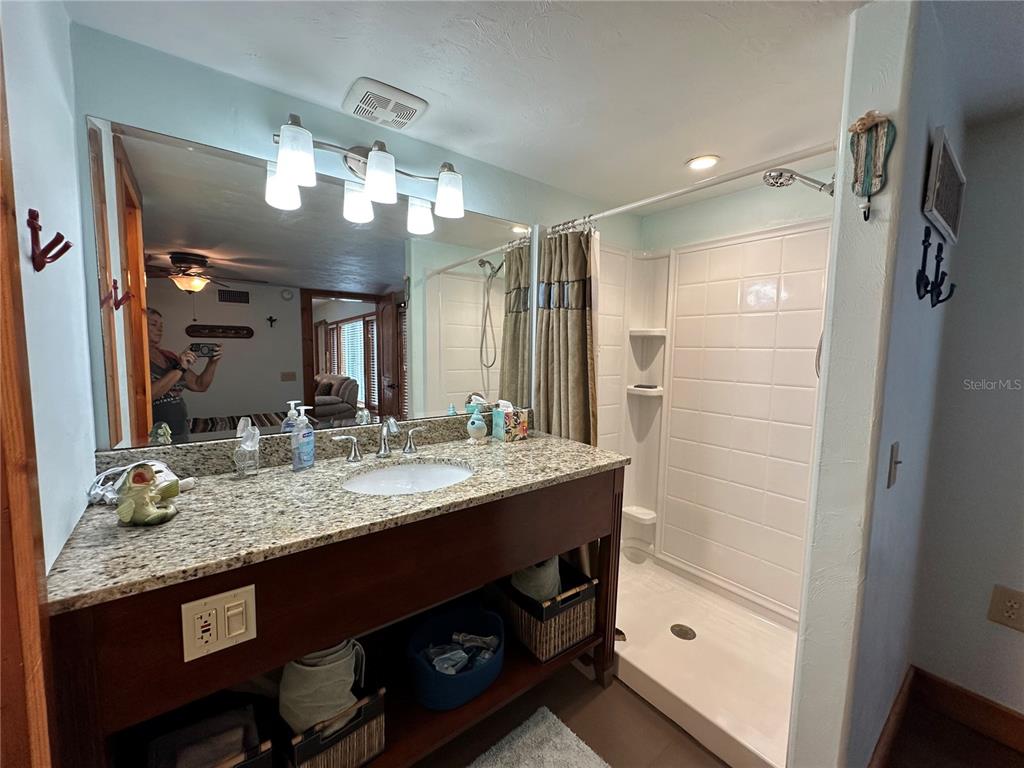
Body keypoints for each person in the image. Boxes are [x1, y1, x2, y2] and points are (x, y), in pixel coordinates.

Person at [148, 308, 222, 441]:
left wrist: (212, 362)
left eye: (161, 326)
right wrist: (180, 368)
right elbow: (148, 396)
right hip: (155, 434)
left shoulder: (169, 357)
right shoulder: (136, 359)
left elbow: (199, 385)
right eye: (153, 324)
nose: (160, 329)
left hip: (180, 429)